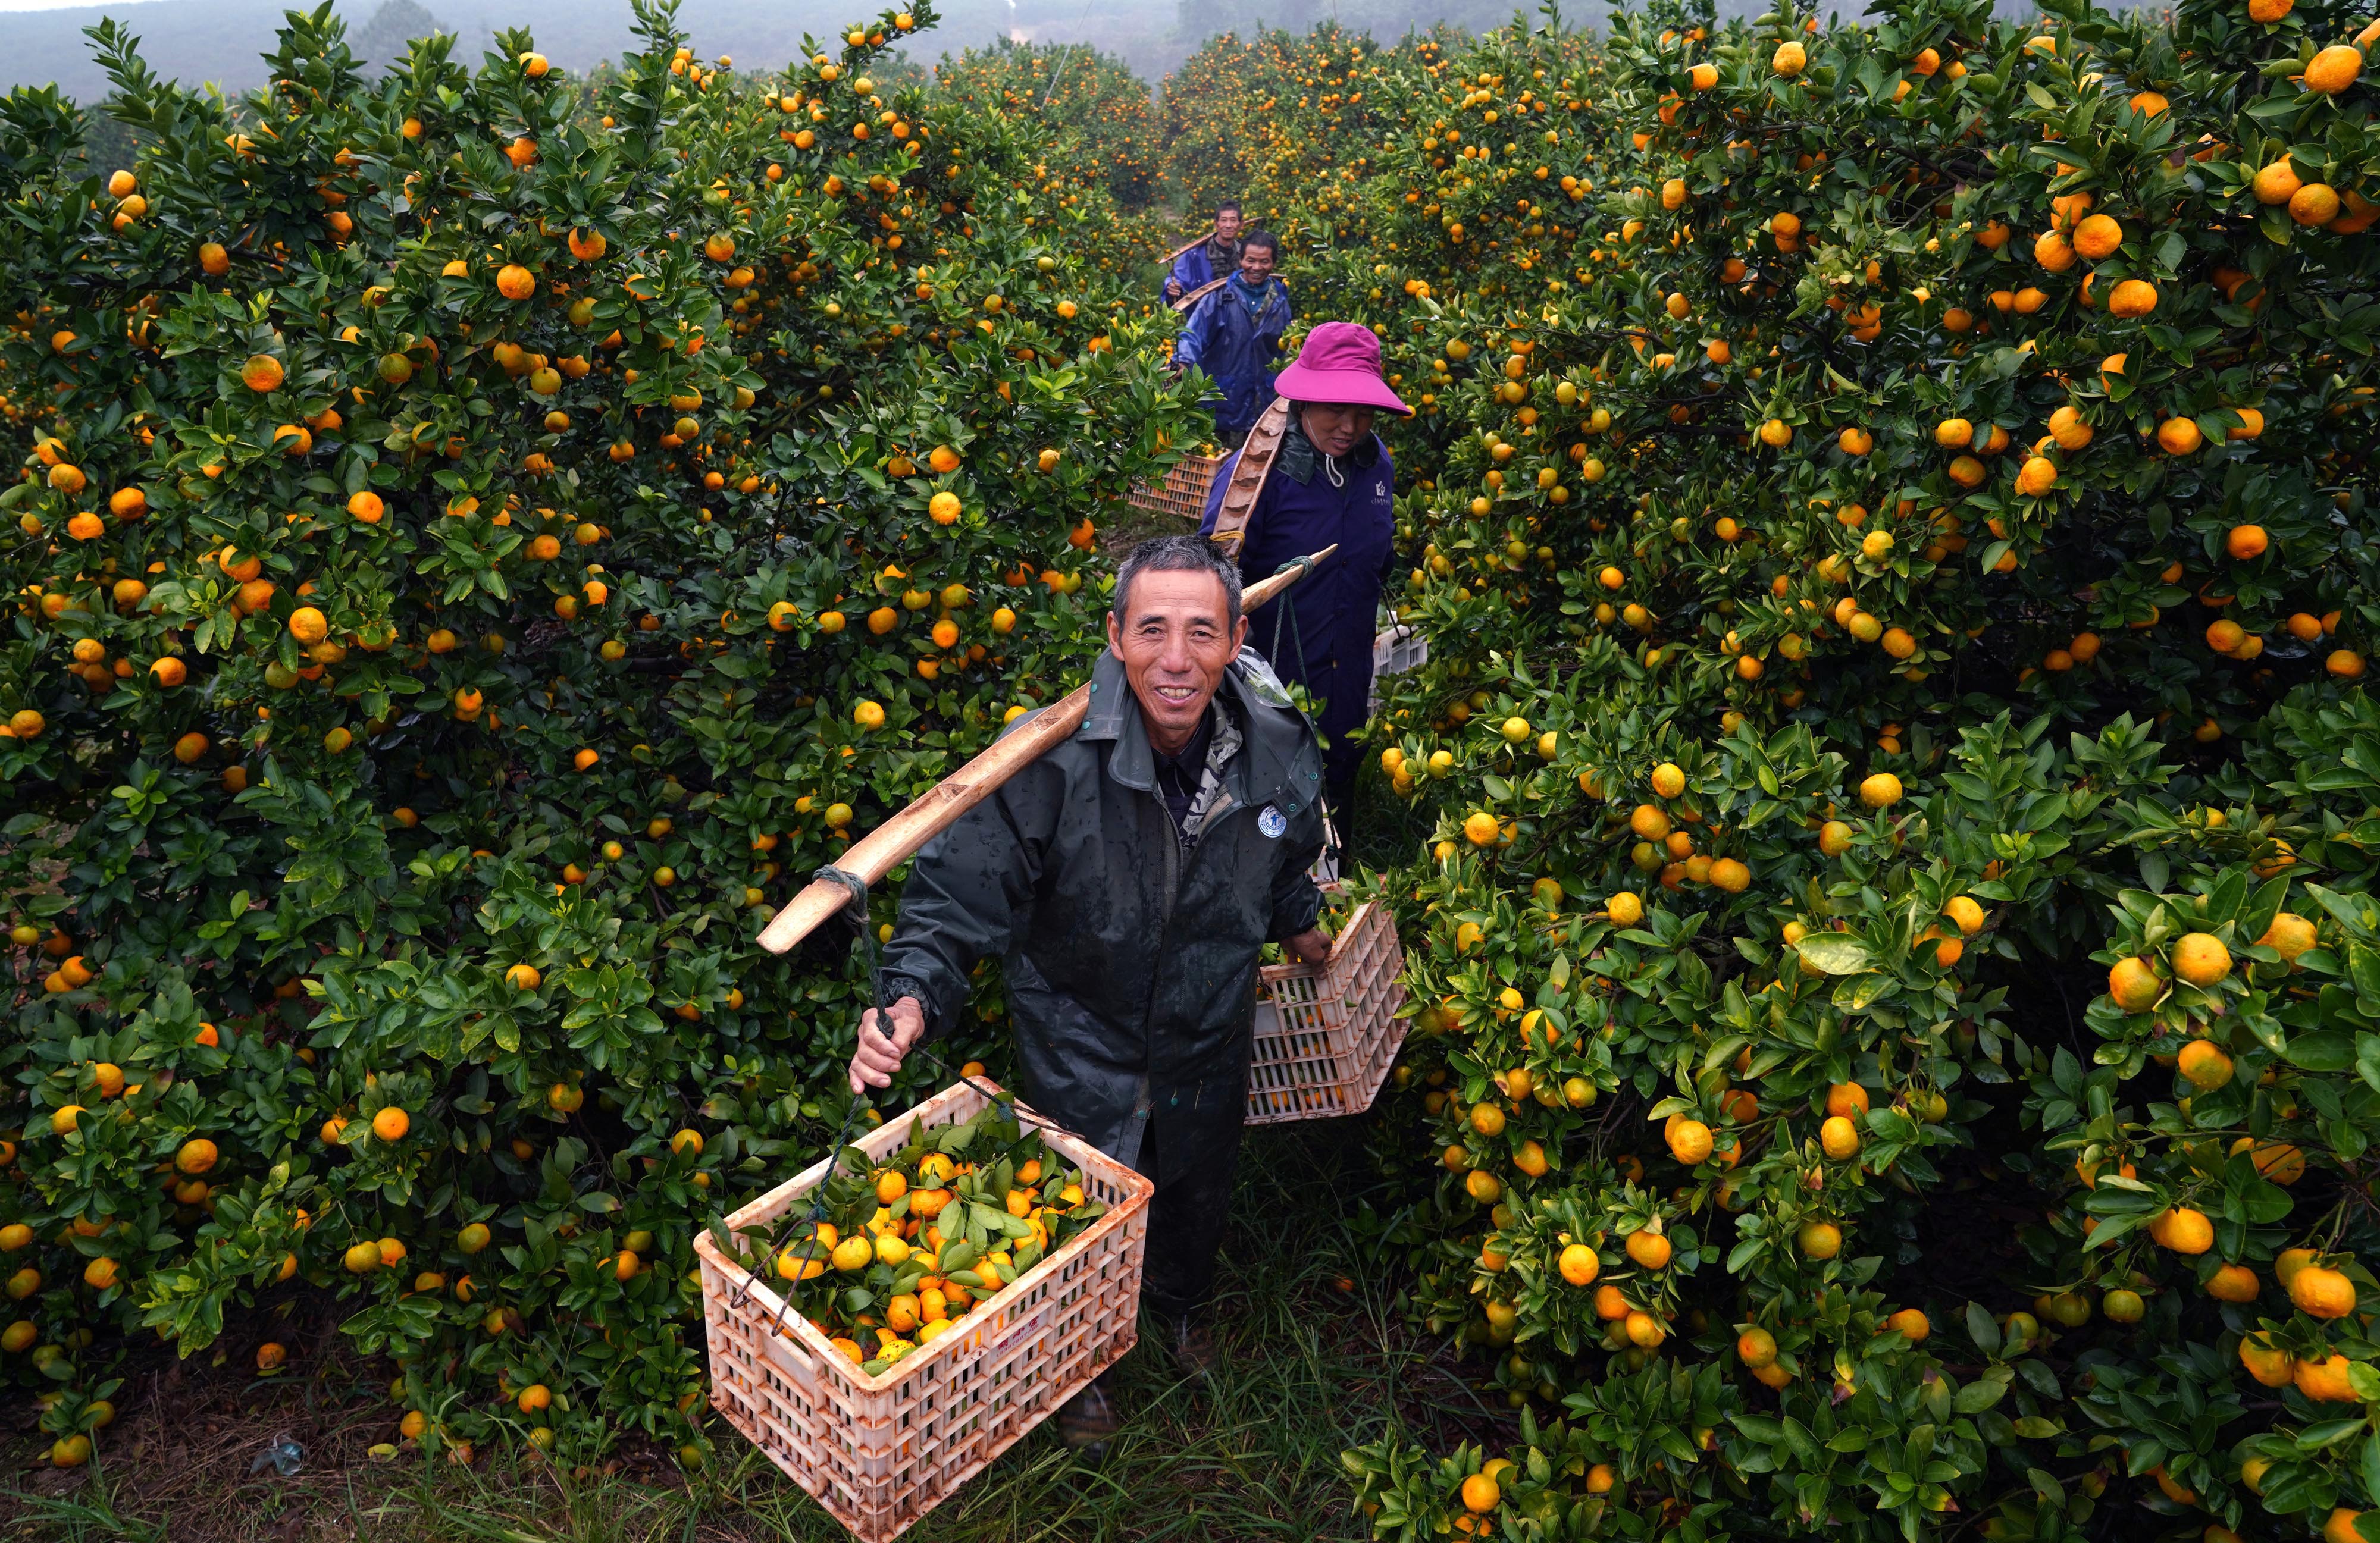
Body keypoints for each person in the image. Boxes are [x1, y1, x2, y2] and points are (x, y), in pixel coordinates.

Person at [847, 535, 1333, 1457]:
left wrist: (1300, 918)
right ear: (1115, 637)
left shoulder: (1272, 741)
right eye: (1152, 630)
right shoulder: (1051, 760)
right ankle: (1082, 1367)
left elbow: (1286, 847)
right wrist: (911, 993)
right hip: (1080, 1029)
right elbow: (958, 893)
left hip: (1205, 1022)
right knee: (1074, 1201)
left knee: (1194, 1180)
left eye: (1202, 631)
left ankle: (1182, 1312)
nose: (1176, 659)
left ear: (1236, 639)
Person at [1198, 321, 1407, 798]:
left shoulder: (1376, 465)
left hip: (1349, 673)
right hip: (1272, 678)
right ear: (1307, 400)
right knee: (1267, 799)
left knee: (1337, 785)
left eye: (1364, 412)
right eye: (1336, 409)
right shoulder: (1255, 477)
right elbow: (1210, 578)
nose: (1350, 427)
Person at [1172, 231, 1293, 449]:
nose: (1257, 267)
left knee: (1255, 468)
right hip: (1225, 397)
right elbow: (1193, 333)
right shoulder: (1220, 296)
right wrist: (1183, 361)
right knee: (1218, 461)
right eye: (1251, 260)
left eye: (1264, 261)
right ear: (1241, 260)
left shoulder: (1280, 298)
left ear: (1273, 263)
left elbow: (1286, 344)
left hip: (1263, 400)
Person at [1163, 201, 1242, 305]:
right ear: (1216, 224)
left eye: (1233, 220)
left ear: (1241, 225)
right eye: (1224, 220)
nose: (1228, 225)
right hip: (1205, 315)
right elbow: (1177, 277)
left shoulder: (1245, 252)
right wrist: (1172, 287)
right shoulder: (1195, 255)